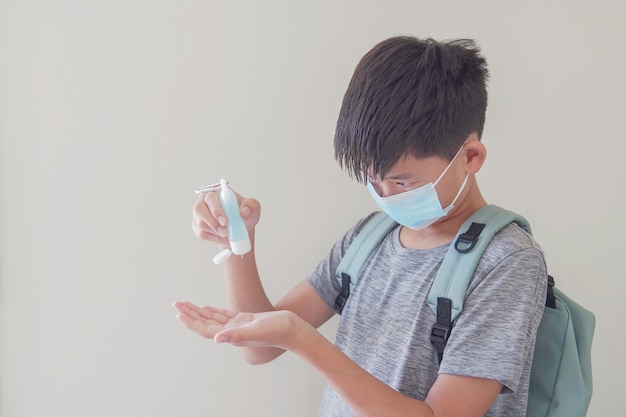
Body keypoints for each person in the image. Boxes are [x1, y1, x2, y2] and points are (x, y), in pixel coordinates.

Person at [174, 36, 547, 417]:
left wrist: (302, 339)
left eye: (403, 183)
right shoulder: (369, 238)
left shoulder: (507, 262)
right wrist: (239, 239)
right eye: (373, 179)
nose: (386, 196)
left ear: (470, 156)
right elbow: (260, 347)